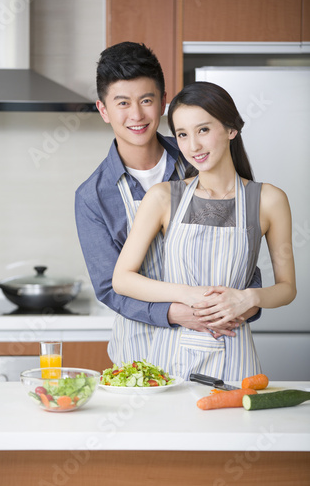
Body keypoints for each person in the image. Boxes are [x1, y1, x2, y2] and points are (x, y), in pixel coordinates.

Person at [75, 42, 261, 366]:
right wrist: (177, 313)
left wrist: (246, 301)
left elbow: (243, 239)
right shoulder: (94, 196)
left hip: (218, 342)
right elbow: (110, 287)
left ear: (163, 102)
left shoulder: (198, 156)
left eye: (146, 100)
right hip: (139, 354)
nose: (136, 115)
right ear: (103, 110)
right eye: (122, 103)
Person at [112, 81, 297, 380]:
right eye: (182, 135)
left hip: (236, 355)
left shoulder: (269, 200)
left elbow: (287, 288)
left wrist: (249, 298)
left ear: (231, 129)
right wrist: (189, 295)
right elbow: (122, 279)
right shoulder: (162, 198)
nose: (193, 146)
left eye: (203, 130)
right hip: (169, 357)